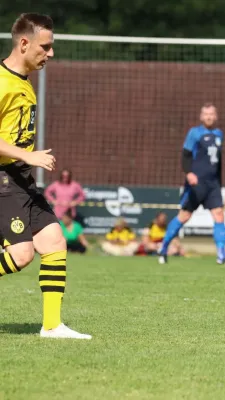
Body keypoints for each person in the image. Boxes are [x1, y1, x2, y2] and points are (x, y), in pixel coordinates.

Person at [0, 14, 91, 339]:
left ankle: (52, 326)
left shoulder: (25, 84)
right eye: (45, 46)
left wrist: (26, 160)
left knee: (54, 241)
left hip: (21, 178)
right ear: (24, 43)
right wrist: (27, 155)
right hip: (3, 178)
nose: (50, 53)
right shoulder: (1, 81)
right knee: (22, 254)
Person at [157, 103, 225, 265]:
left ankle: (222, 254)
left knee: (219, 215)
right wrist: (189, 173)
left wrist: (219, 184)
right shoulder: (195, 133)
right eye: (206, 114)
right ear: (201, 116)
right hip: (196, 183)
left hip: (213, 185)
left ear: (216, 116)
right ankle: (163, 248)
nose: (209, 117)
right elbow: (185, 155)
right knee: (184, 216)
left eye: (211, 114)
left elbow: (217, 163)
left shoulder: (219, 134)